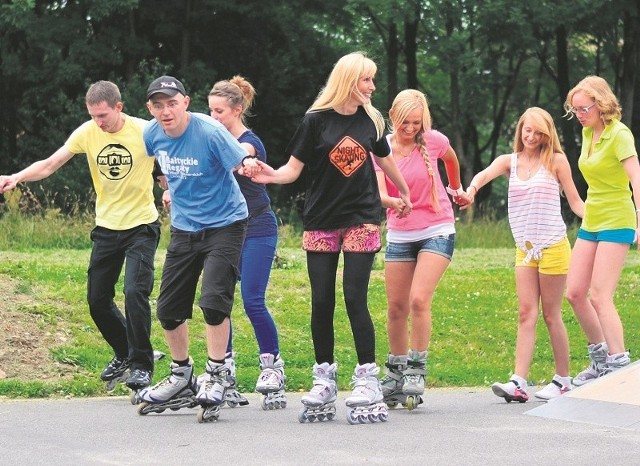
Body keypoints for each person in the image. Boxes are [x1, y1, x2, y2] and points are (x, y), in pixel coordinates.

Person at [250, 51, 412, 424]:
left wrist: (403, 192)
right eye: (366, 80)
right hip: (321, 219)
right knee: (321, 300)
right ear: (348, 81)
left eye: (373, 79)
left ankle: (367, 377)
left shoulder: (371, 120)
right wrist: (268, 175)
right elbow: (292, 170)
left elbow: (384, 159)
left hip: (362, 218)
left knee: (355, 296)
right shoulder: (314, 121)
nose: (372, 86)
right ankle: (324, 376)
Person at [0, 81, 162, 392]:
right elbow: (50, 164)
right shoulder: (87, 132)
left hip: (141, 226)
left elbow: (170, 162)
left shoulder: (146, 131)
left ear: (119, 107)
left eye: (103, 115)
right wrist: (16, 176)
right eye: (93, 116)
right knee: (97, 300)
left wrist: (168, 185)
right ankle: (125, 352)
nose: (99, 122)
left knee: (134, 293)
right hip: (106, 227)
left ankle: (142, 365)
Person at [137, 76, 259, 422]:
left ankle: (217, 375)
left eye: (171, 103)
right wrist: (168, 186)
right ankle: (181, 375)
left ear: (185, 102)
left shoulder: (209, 131)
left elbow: (239, 161)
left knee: (213, 301)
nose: (165, 111)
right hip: (184, 227)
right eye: (158, 105)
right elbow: (159, 165)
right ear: (150, 108)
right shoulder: (151, 133)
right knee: (168, 309)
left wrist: (247, 164)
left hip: (226, 224)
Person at [461, 107, 584, 402]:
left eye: (538, 132)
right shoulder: (510, 162)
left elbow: (577, 202)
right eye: (527, 130)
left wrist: (607, 222)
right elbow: (483, 174)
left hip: (553, 246)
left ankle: (563, 379)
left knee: (551, 315)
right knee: (526, 313)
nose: (531, 136)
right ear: (520, 130)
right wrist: (471, 190)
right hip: (525, 249)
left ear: (546, 134)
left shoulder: (556, 161)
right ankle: (518, 382)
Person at [374, 89, 465, 410]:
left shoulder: (434, 141)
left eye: (416, 123)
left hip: (437, 229)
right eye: (404, 123)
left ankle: (416, 367)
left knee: (418, 299)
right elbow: (378, 189)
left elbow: (452, 159)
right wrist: (393, 201)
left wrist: (456, 188)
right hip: (400, 233)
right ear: (392, 117)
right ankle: (396, 373)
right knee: (396, 308)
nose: (410, 129)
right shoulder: (380, 146)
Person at [207, 76, 286, 409]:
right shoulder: (210, 141)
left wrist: (247, 162)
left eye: (220, 111)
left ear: (237, 110)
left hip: (258, 229)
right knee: (217, 303)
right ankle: (224, 371)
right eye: (210, 111)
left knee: (252, 300)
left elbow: (244, 154)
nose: (214, 118)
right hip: (225, 231)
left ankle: (272, 368)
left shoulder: (248, 141)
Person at [563, 76, 640, 385]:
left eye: (584, 108)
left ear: (601, 104)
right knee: (575, 293)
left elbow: (636, 179)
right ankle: (600, 360)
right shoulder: (587, 131)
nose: (579, 114)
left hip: (617, 219)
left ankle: (619, 364)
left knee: (600, 295)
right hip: (592, 220)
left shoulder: (619, 134)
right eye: (574, 109)